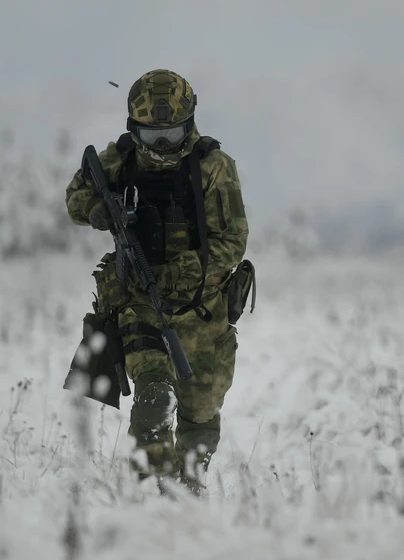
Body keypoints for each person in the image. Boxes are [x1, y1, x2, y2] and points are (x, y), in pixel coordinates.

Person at [64, 69, 249, 493]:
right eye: (152, 137)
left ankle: (189, 486)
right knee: (154, 396)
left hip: (202, 306)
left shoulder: (214, 167)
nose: (162, 146)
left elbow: (233, 241)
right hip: (138, 301)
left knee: (201, 413)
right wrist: (98, 210)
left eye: (172, 135)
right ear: (134, 129)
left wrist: (182, 273)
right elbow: (75, 197)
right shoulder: (119, 159)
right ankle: (152, 493)